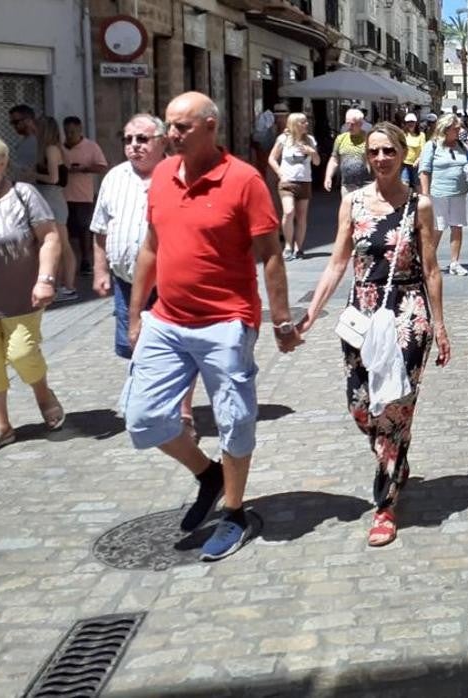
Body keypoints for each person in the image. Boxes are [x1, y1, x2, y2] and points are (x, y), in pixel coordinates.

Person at [121, 92, 300, 562]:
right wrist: (136, 314)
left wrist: (281, 320)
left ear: (210, 126)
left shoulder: (243, 181)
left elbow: (270, 254)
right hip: (167, 320)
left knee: (235, 420)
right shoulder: (162, 175)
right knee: (144, 417)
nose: (171, 135)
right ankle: (208, 475)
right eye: (169, 127)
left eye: (181, 127)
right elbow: (152, 247)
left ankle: (235, 512)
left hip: (227, 321)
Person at [296, 122, 451, 547]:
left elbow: (432, 269)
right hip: (362, 315)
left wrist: (439, 326)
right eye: (375, 152)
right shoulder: (353, 203)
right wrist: (311, 312)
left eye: (389, 152)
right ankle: (395, 455)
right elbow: (336, 263)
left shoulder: (419, 206)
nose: (382, 159)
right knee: (362, 408)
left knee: (395, 408)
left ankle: (385, 505)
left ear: (404, 155)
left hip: (408, 315)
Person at [90, 114, 197, 435]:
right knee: (134, 344)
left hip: (171, 281)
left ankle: (183, 413)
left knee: (180, 346)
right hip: (126, 281)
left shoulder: (181, 174)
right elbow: (100, 228)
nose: (134, 146)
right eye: (128, 139)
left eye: (142, 139)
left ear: (162, 141)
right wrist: (99, 270)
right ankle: (151, 405)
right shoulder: (114, 178)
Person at [0, 132, 64, 454]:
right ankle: (1, 425)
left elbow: (50, 237)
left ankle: (43, 393)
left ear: (2, 162)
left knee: (21, 354)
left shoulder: (23, 195)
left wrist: (45, 278)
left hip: (23, 297)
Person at [418, 113, 468, 276]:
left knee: (457, 226)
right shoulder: (432, 145)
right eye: (456, 128)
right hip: (438, 193)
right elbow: (424, 171)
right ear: (446, 129)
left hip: (459, 192)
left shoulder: (461, 146)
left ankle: (455, 262)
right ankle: (428, 261)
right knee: (437, 228)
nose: (459, 131)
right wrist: (425, 195)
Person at [34, 116, 77, 302]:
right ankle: (61, 285)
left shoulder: (51, 149)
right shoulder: (53, 148)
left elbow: (53, 178)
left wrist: (32, 174)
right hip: (50, 199)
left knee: (63, 245)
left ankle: (69, 287)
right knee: (57, 244)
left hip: (53, 199)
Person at [269, 112, 320, 261]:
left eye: (306, 122)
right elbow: (272, 158)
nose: (306, 124)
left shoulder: (310, 140)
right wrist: (279, 173)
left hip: (304, 181)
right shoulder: (283, 139)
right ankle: (288, 246)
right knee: (289, 212)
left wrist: (312, 152)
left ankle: (299, 247)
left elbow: (316, 162)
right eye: (303, 122)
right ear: (295, 124)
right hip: (287, 182)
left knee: (302, 216)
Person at [62, 116, 108, 277]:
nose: (69, 135)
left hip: (83, 196)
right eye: (67, 131)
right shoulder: (60, 148)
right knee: (65, 230)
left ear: (80, 130)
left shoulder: (90, 146)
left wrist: (84, 168)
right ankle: (67, 263)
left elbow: (102, 166)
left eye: (73, 132)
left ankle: (86, 260)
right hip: (62, 196)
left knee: (84, 229)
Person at [326, 108, 373, 196]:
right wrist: (328, 177)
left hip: (367, 184)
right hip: (347, 185)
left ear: (360, 124)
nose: (350, 127)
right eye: (348, 123)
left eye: (353, 124)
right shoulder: (341, 138)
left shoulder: (369, 138)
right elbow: (334, 159)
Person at [401, 113, 424, 187]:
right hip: (404, 164)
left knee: (417, 186)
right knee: (405, 184)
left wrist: (418, 160)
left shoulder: (421, 135)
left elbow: (423, 150)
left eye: (412, 122)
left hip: (416, 165)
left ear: (416, 123)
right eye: (408, 122)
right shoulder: (402, 134)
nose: (410, 124)